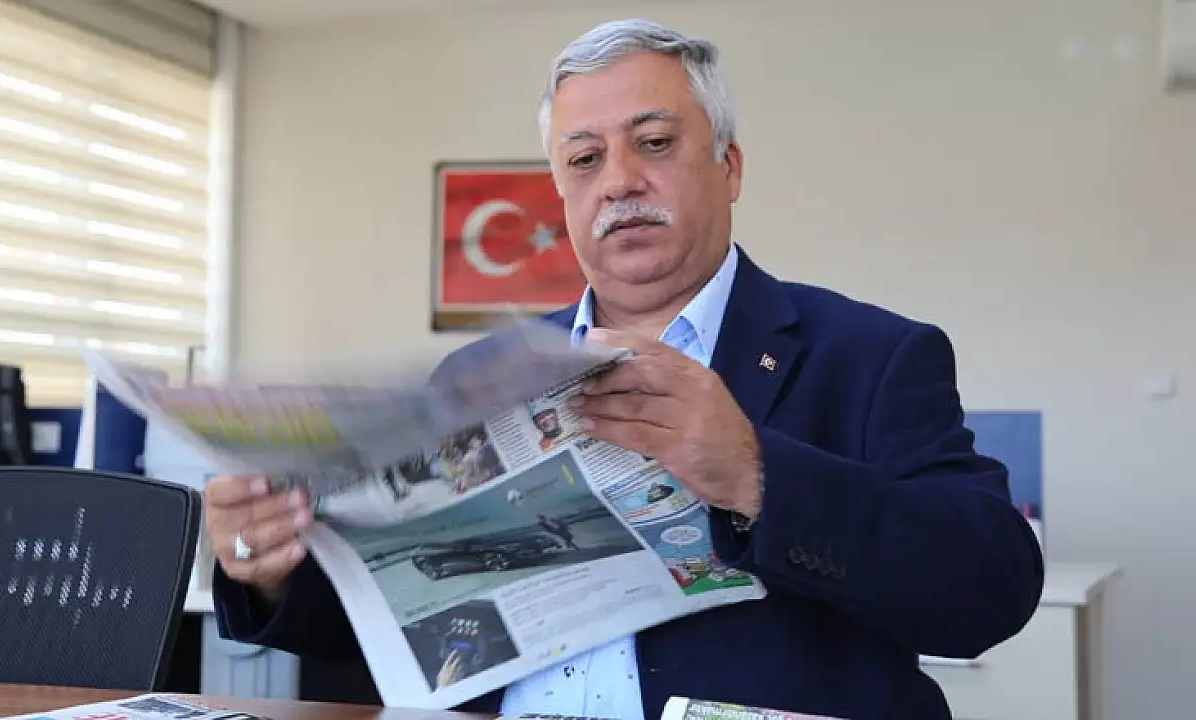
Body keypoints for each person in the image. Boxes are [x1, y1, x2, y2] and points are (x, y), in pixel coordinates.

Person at [204, 18, 1044, 720]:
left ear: (729, 167)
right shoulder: (477, 375)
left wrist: (756, 474)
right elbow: (401, 621)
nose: (620, 182)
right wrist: (272, 573)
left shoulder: (870, 355)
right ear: (562, 194)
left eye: (654, 143)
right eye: (584, 160)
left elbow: (990, 592)